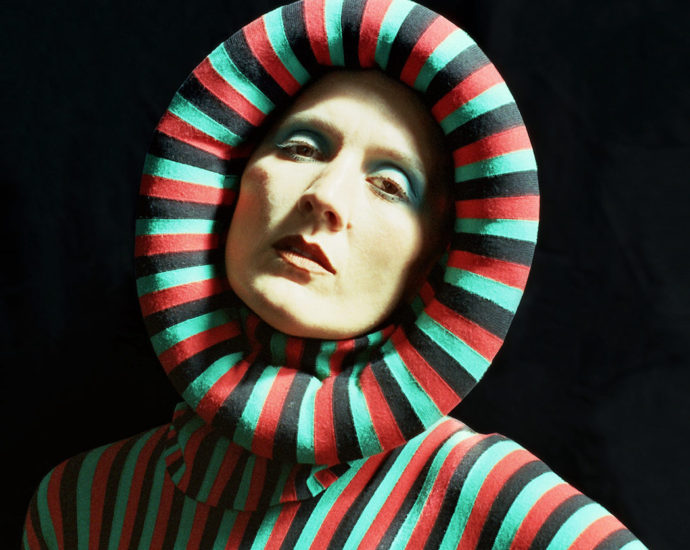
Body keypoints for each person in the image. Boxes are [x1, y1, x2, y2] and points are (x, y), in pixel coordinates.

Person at [23, 0, 646, 547]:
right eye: (300, 148)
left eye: (389, 185)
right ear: (226, 181)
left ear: (437, 259)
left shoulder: (495, 505)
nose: (326, 195)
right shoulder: (78, 504)